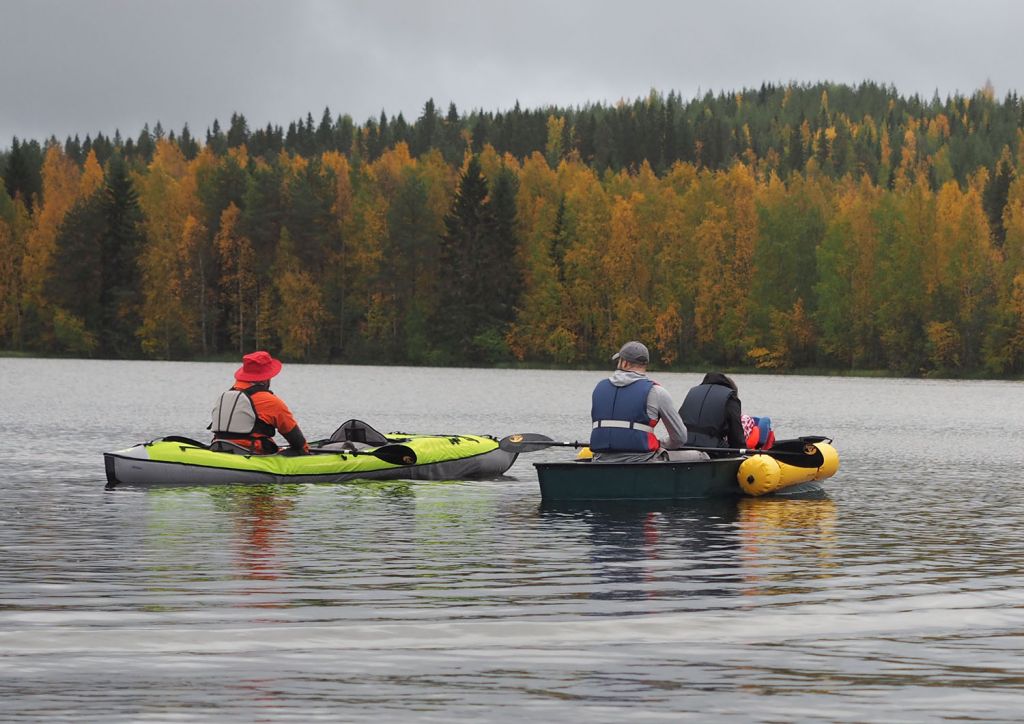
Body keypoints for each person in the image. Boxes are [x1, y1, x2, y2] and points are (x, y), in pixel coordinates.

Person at [590, 341, 689, 462]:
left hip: (600, 459)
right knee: (701, 456)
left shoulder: (599, 388)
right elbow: (680, 438)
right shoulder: (657, 392)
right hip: (642, 460)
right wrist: (660, 443)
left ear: (625, 363)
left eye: (619, 360)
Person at [210, 350, 309, 454]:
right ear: (266, 378)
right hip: (252, 454)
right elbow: (298, 443)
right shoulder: (271, 402)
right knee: (300, 451)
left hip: (220, 448)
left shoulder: (226, 396)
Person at [679, 372, 745, 448]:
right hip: (711, 450)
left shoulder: (692, 392)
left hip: (683, 445)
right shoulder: (730, 397)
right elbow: (736, 436)